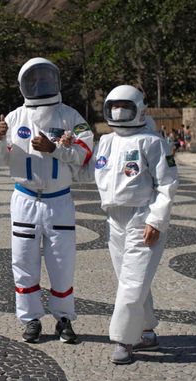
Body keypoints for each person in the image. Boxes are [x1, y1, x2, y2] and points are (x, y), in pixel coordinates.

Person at [0, 57, 94, 344]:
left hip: (58, 200)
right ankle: (31, 319)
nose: (40, 84)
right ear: (24, 84)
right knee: (23, 261)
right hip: (24, 199)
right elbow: (0, 159)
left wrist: (55, 150)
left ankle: (64, 318)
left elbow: (85, 151)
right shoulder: (13, 118)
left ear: (55, 81)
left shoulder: (71, 117)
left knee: (62, 262)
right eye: (33, 80)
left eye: (44, 78)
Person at [71, 85, 178, 364]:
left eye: (125, 106)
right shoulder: (105, 141)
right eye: (114, 106)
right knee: (130, 279)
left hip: (142, 217)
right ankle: (146, 329)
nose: (118, 112)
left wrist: (157, 219)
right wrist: (63, 151)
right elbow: (86, 174)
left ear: (139, 109)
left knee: (131, 281)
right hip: (114, 219)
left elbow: (167, 183)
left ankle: (123, 339)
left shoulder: (152, 142)